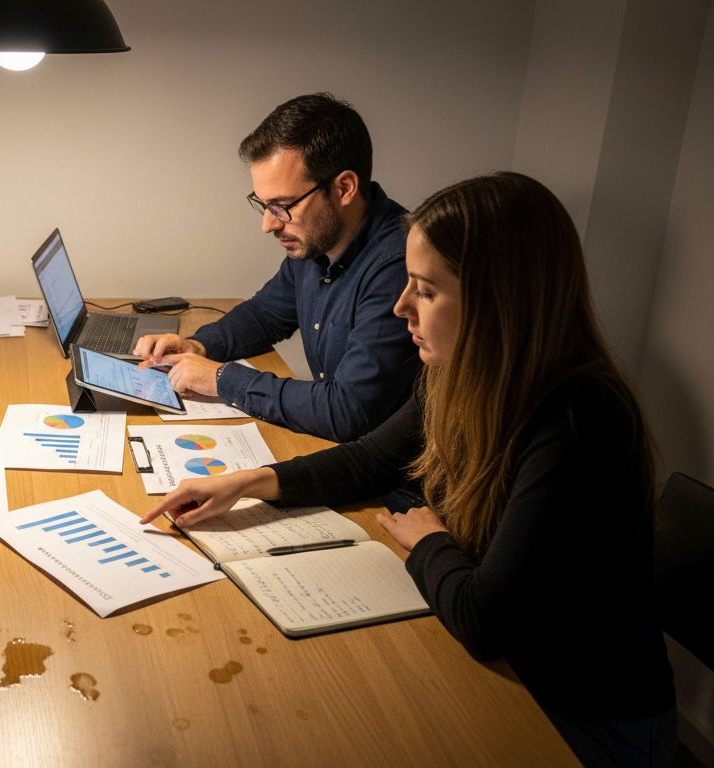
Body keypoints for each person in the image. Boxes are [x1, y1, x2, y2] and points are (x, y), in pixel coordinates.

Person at [141, 172, 676, 767]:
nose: (401, 309)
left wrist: (430, 539)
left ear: (500, 300)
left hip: (583, 718)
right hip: (516, 668)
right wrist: (244, 484)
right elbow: (372, 459)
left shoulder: (579, 420)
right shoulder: (459, 371)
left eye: (424, 290)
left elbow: (484, 620)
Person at [136, 93, 420, 442]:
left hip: (388, 482)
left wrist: (222, 379)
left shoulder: (400, 265)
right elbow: (264, 315)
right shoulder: (318, 241)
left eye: (283, 206)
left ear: (344, 187)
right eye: (264, 205)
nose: (268, 225)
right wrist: (198, 346)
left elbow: (348, 411)